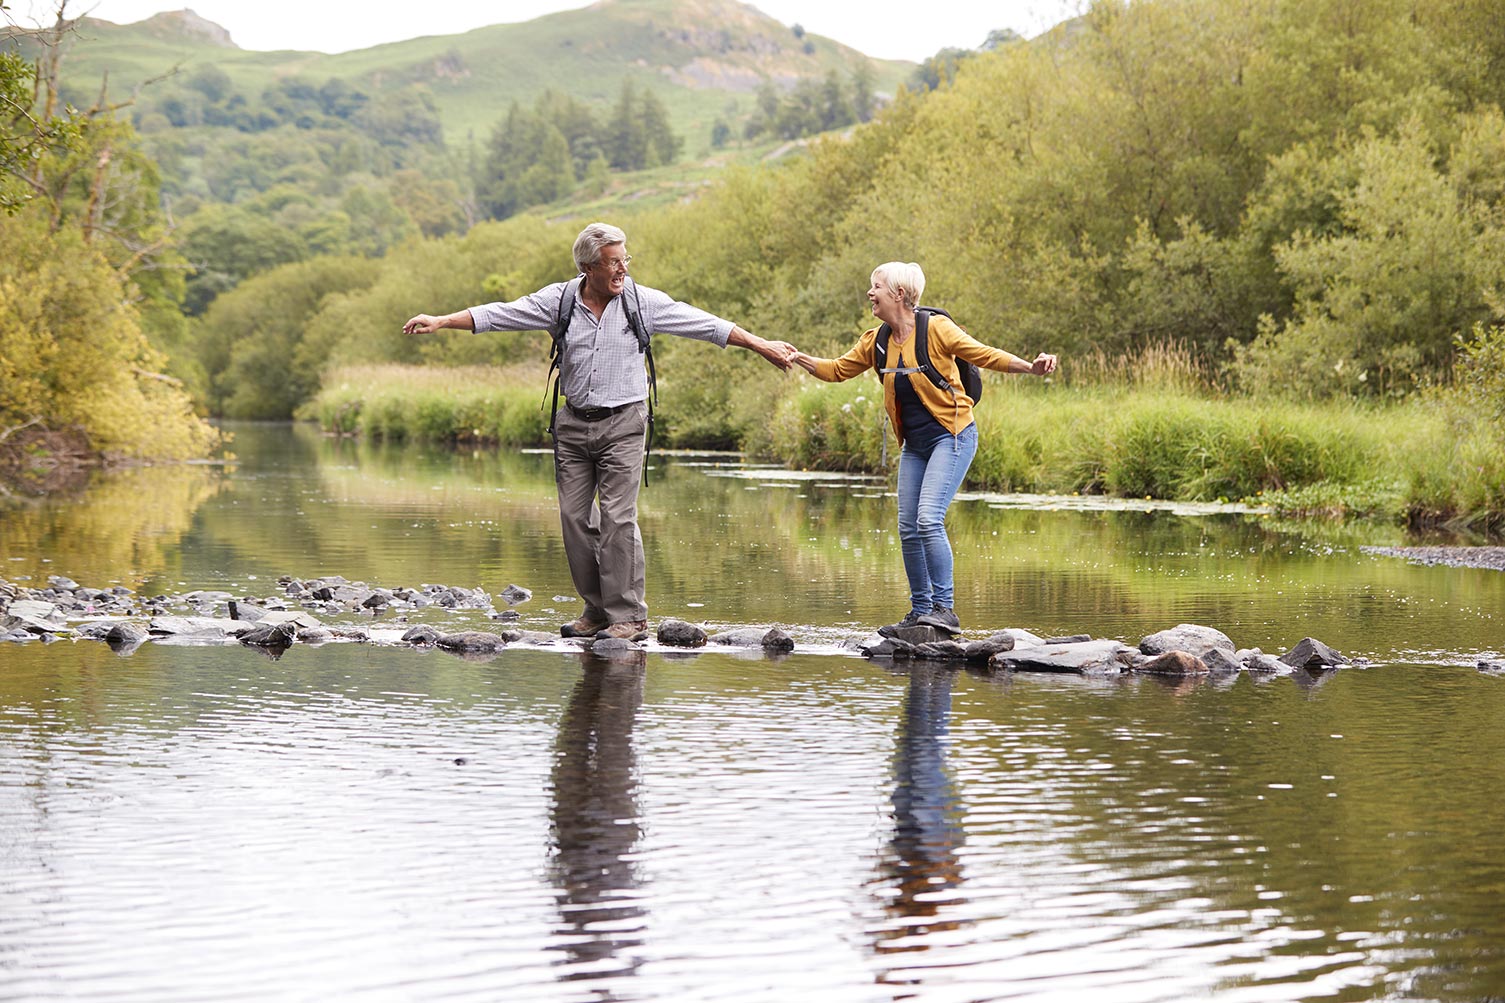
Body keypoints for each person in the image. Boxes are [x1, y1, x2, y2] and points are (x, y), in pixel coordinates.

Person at [403, 222, 796, 640]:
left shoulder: (641, 303)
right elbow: (502, 313)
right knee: (574, 519)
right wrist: (443, 320)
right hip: (572, 425)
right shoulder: (559, 301)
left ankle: (629, 615)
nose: (623, 269)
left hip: (624, 424)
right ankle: (596, 609)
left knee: (617, 518)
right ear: (588, 267)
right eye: (614, 262)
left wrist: (761, 345)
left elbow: (704, 323)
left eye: (625, 259)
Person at [791, 262, 1057, 636]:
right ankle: (920, 611)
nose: (870, 293)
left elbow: (985, 354)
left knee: (928, 519)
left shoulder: (937, 329)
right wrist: (798, 358)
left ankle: (944, 610)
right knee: (907, 528)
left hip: (952, 436)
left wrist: (1031, 368)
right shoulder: (876, 341)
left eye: (876, 286)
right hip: (915, 446)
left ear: (899, 294)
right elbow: (836, 369)